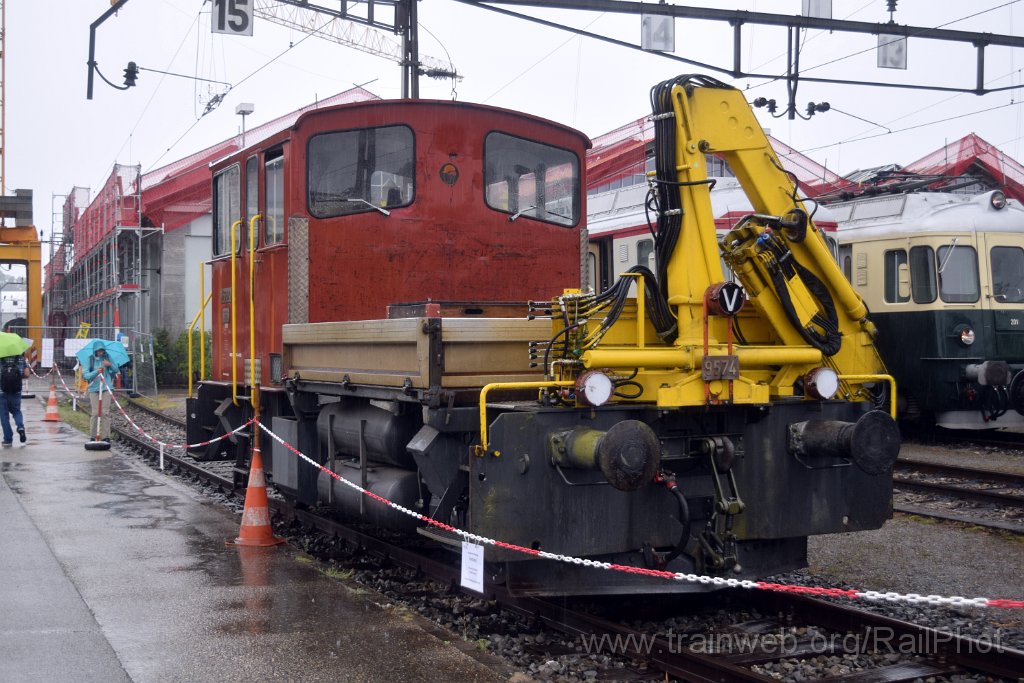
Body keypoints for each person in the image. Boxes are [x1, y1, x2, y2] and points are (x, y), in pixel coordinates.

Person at [83, 347, 118, 443]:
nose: (101, 352)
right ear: (95, 351)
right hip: (94, 388)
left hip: (106, 388)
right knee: (94, 413)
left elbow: (115, 370)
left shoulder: (107, 357)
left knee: (105, 412)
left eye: (102, 350)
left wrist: (109, 364)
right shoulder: (90, 359)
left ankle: (106, 436)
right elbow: (85, 375)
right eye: (99, 351)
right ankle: (93, 436)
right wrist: (96, 372)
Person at [0, 354, 27, 447]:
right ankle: (20, 427)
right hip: (16, 391)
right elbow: (27, 374)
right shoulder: (20, 358)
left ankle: (8, 439)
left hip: (1, 392)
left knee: (4, 416)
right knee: (16, 411)